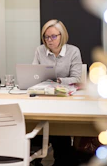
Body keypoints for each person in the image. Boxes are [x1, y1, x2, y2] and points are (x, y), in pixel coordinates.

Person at [31, 19, 82, 166]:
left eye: (53, 36)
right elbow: (34, 73)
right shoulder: (40, 50)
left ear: (62, 36)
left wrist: (58, 80)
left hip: (64, 99)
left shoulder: (73, 51)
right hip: (44, 98)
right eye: (46, 37)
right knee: (42, 126)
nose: (49, 40)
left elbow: (77, 78)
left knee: (59, 130)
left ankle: (61, 157)